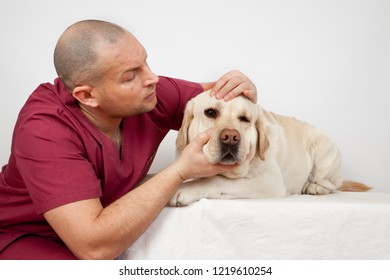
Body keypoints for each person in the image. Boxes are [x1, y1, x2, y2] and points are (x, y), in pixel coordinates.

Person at [0, 19, 257, 260]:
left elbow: (219, 101)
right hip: (25, 235)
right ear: (87, 96)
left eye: (145, 62)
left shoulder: (147, 95)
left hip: (100, 227)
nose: (152, 78)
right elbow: (94, 247)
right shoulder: (44, 130)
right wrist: (180, 171)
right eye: (130, 75)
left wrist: (243, 90)